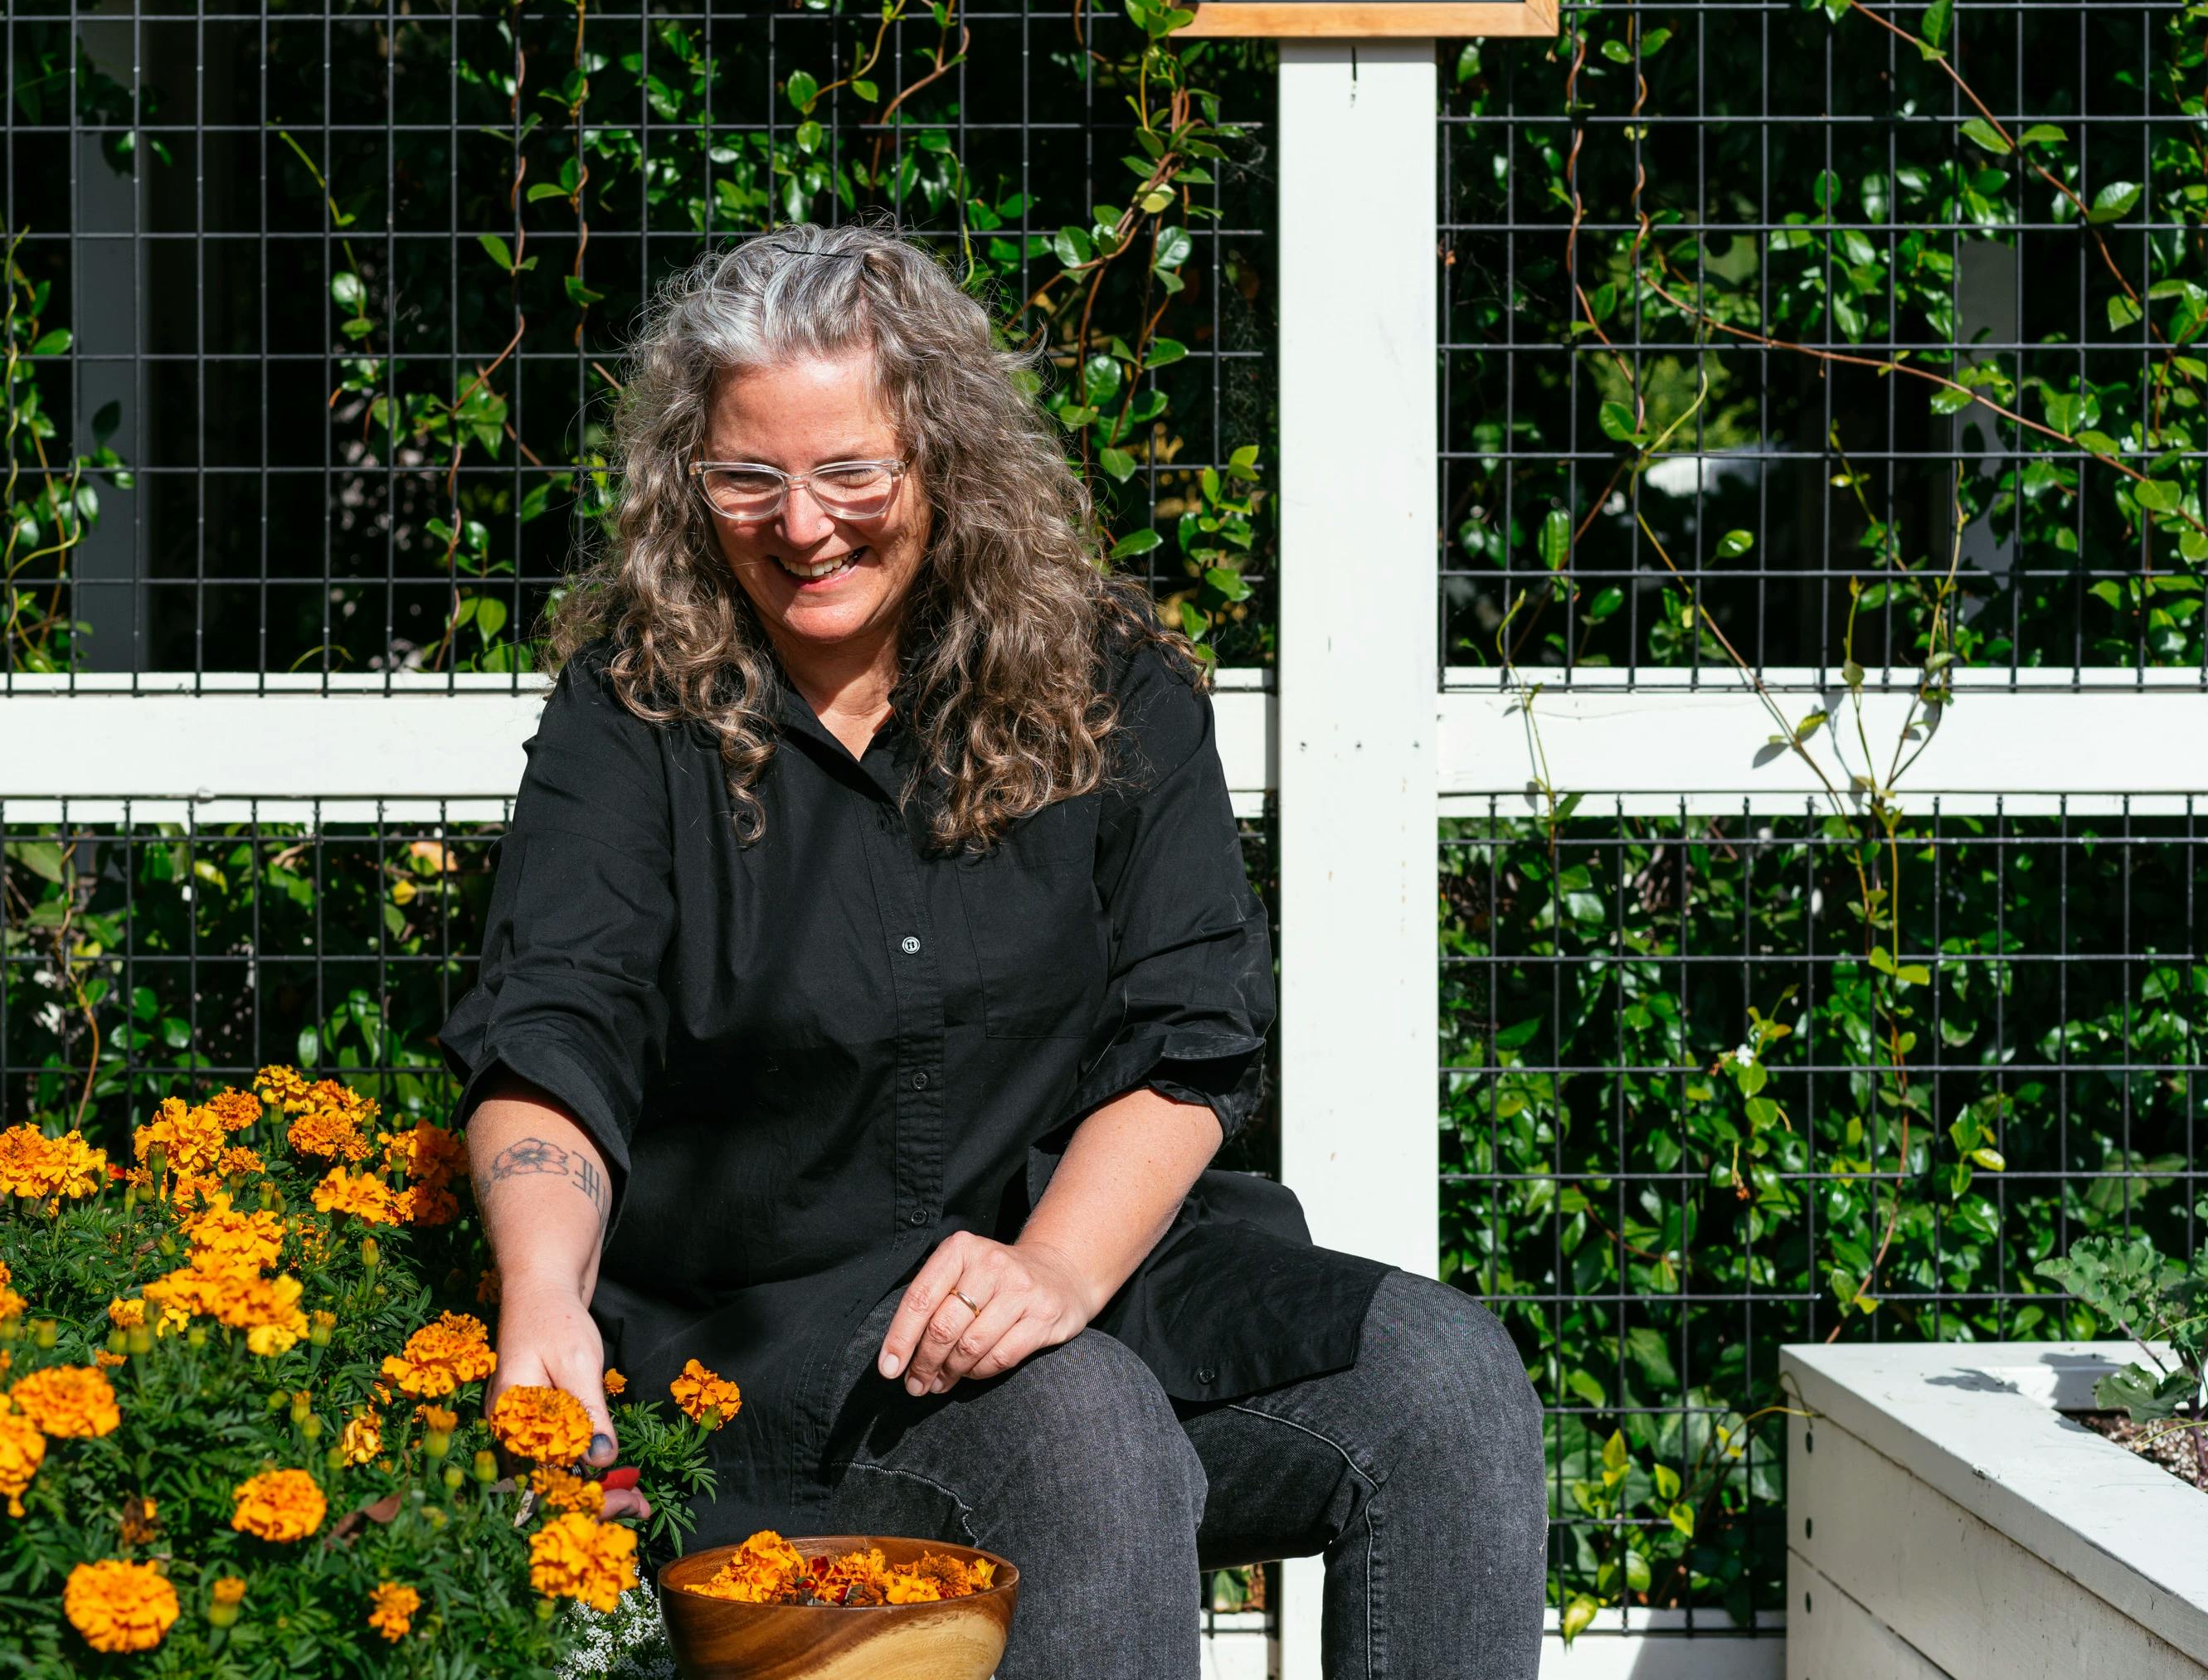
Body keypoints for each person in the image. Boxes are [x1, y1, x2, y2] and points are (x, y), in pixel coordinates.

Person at [443, 223, 1543, 1678]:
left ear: (946, 463)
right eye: (748, 479)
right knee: (1079, 1422)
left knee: (1446, 1384)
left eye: (852, 473)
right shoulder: (630, 717)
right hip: (765, 1340)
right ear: (688, 489)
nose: (803, 524)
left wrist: (1056, 1269)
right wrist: (540, 1301)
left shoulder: (1113, 688)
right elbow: (549, 1029)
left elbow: (1192, 1034)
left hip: (1073, 1261)